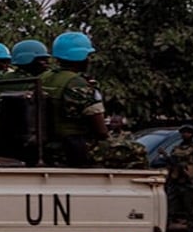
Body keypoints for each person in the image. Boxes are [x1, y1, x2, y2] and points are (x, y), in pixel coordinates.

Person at [40, 31, 145, 169]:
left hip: (47, 145)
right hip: (73, 148)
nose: (89, 59)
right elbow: (101, 131)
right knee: (137, 150)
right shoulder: (78, 83)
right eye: (88, 56)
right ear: (80, 56)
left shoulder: (44, 77)